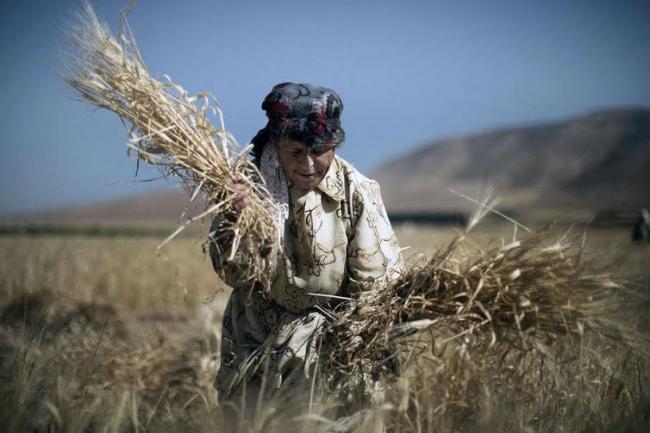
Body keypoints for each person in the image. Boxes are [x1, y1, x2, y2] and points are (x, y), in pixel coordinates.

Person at [208, 82, 403, 429]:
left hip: (331, 345)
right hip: (254, 339)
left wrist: (348, 342)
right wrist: (234, 219)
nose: (309, 164)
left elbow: (376, 284)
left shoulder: (356, 191)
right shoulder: (247, 188)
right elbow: (233, 275)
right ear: (277, 144)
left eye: (320, 150)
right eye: (296, 151)